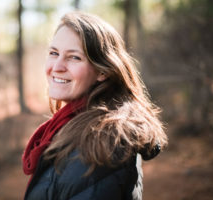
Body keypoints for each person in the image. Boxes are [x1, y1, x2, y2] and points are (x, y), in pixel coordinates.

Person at [22, 11, 168, 200]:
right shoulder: (73, 127)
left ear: (102, 71)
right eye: (54, 53)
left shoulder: (103, 140)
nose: (57, 66)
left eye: (74, 57)